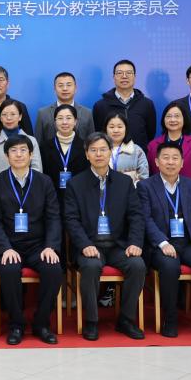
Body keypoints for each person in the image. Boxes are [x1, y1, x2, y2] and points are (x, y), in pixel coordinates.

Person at [64, 132, 146, 341]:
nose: (98, 154)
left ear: (110, 152)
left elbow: (136, 215)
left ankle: (126, 319)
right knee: (91, 266)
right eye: (93, 150)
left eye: (103, 149)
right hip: (90, 245)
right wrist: (84, 245)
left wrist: (135, 242)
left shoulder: (124, 182)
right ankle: (92, 321)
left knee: (137, 265)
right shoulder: (75, 184)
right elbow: (71, 220)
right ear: (87, 154)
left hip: (118, 245)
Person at [137, 142, 191, 339]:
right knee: (169, 266)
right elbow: (145, 219)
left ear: (182, 163)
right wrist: (163, 243)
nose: (170, 162)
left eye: (175, 158)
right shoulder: (145, 186)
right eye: (165, 158)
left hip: (190, 243)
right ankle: (170, 319)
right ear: (156, 162)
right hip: (161, 245)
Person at [0, 135, 62, 345]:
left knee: (53, 268)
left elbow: (53, 217)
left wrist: (50, 246)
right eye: (13, 151)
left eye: (23, 150)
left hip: (39, 246)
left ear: (31, 154)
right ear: (6, 156)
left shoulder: (44, 182)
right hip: (10, 245)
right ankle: (16, 324)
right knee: (9, 269)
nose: (18, 155)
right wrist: (5, 248)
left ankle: (41, 323)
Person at [92, 59, 157, 151]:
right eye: (119, 73)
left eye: (129, 73)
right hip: (110, 156)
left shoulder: (147, 104)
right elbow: (99, 134)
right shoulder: (100, 106)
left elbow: (150, 133)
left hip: (139, 156)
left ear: (135, 76)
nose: (124, 76)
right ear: (114, 77)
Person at [147, 104, 191, 192]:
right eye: (169, 116)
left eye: (177, 116)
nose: (173, 120)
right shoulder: (153, 145)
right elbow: (149, 175)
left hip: (190, 195)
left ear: (184, 119)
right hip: (159, 196)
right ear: (163, 120)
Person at [0, 99, 42, 184]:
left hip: (28, 189)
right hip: (0, 190)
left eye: (13, 114)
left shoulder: (32, 141)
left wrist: (29, 188)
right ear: (0, 118)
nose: (9, 118)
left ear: (20, 117)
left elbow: (37, 168)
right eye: (4, 114)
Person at [40, 104, 91, 195]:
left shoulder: (85, 146)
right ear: (55, 122)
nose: (64, 122)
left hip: (79, 195)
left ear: (75, 121)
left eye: (68, 118)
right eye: (60, 118)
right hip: (52, 196)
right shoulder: (45, 147)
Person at [34, 71, 96, 145]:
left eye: (69, 85)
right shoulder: (43, 113)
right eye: (60, 85)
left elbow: (92, 142)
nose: (65, 88)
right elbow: (38, 143)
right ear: (54, 89)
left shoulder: (87, 113)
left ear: (75, 88)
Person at [104, 114, 149, 185]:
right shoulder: (99, 150)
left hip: (131, 191)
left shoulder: (137, 150)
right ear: (105, 129)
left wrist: (130, 190)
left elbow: (144, 177)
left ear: (126, 129)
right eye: (111, 127)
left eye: (120, 127)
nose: (116, 130)